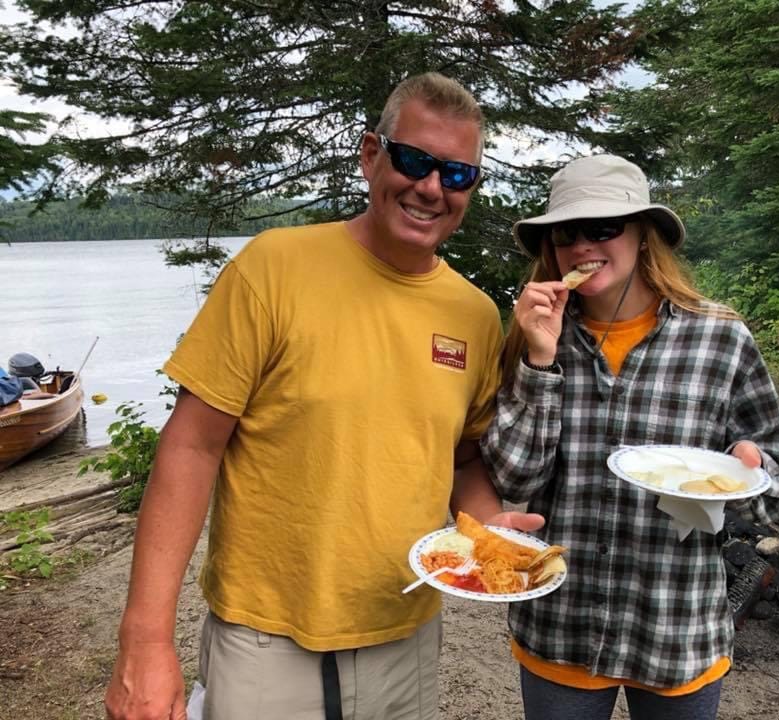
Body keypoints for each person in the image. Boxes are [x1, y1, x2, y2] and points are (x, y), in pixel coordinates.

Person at [104, 72, 542, 720]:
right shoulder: (274, 270)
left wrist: (483, 532)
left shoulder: (474, 315)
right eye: (415, 160)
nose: (431, 188)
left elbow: (464, 459)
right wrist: (144, 639)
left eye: (456, 175)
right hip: (264, 640)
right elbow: (192, 447)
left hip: (407, 633)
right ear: (372, 154)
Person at [480, 154, 779, 720]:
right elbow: (514, 478)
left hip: (676, 629)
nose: (582, 246)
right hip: (563, 628)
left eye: (604, 227)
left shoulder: (719, 339)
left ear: (644, 236)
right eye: (566, 233)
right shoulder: (538, 337)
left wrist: (748, 476)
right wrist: (538, 358)